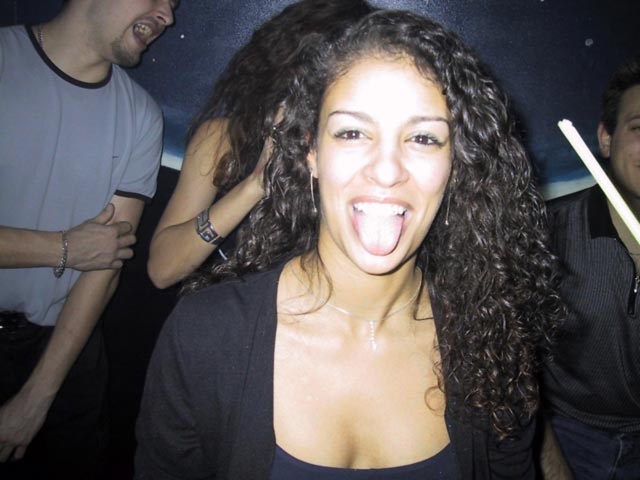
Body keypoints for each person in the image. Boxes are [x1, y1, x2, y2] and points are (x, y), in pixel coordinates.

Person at [135, 9, 563, 479]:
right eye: (353, 132)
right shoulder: (206, 336)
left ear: (457, 164)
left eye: (424, 138)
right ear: (311, 153)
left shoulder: (491, 339)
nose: (387, 170)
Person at [0, 0, 177, 478]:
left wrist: (38, 396)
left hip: (63, 347)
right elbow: (86, 251)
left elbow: (105, 263)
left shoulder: (142, 115)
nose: (168, 16)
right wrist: (62, 248)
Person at [147, 0, 376, 289]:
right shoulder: (223, 139)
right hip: (217, 311)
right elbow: (162, 270)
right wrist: (256, 183)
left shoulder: (362, 158)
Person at [540, 56, 640, 479]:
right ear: (606, 139)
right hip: (567, 435)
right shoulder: (547, 234)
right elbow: (512, 368)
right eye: (639, 128)